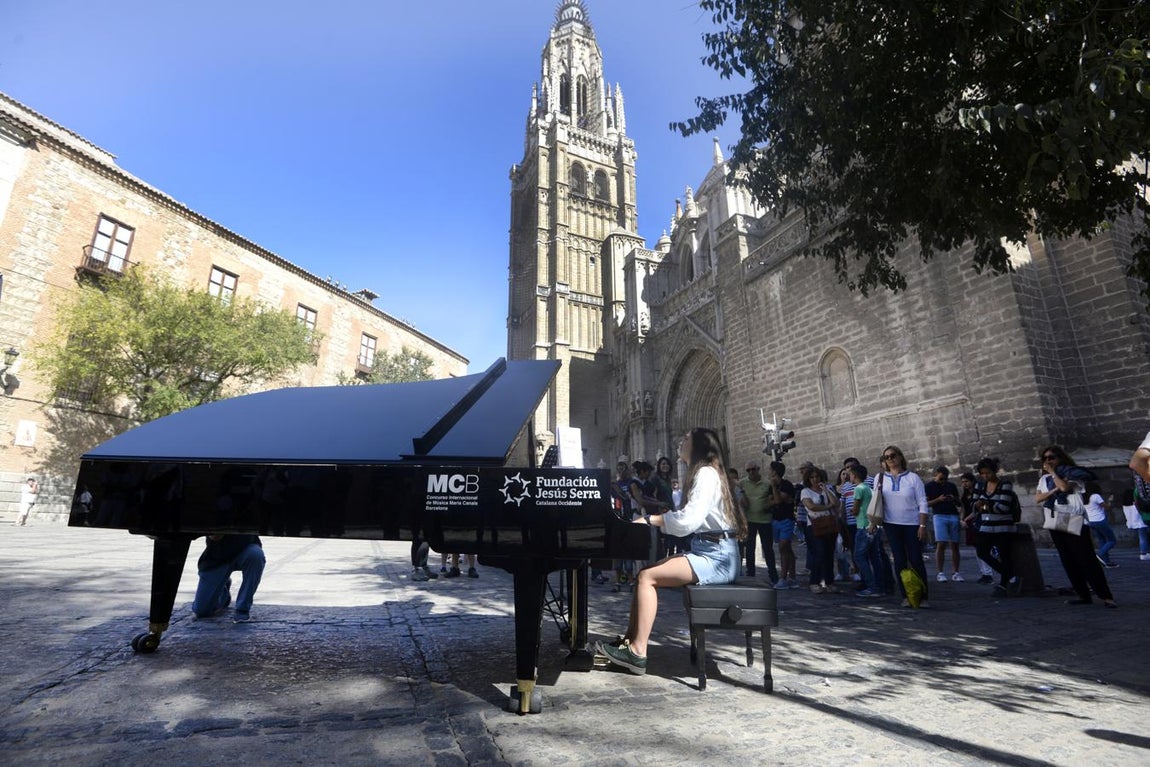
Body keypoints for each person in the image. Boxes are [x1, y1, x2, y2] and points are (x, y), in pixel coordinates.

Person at [597, 427, 746, 675]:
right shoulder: (704, 473)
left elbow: (688, 521)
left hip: (716, 557)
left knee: (647, 577)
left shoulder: (706, 474)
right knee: (645, 572)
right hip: (711, 550)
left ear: (697, 445)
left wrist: (651, 520)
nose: (681, 441)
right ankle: (628, 642)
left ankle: (637, 652)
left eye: (686, 438)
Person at [1035, 445, 1116, 608]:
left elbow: (1065, 487)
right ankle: (1082, 594)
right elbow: (1038, 498)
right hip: (1055, 517)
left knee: (1086, 559)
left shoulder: (1073, 473)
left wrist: (1053, 473)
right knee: (1068, 560)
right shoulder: (1044, 480)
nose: (1048, 461)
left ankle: (1105, 596)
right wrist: (1053, 490)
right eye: (1045, 458)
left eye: (1051, 457)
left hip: (1073, 517)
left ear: (1060, 458)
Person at [876, 446, 931, 608]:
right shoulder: (880, 479)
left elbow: (922, 502)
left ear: (900, 457)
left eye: (893, 456)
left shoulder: (913, 478)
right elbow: (876, 502)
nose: (890, 459)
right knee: (899, 561)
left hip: (912, 524)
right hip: (891, 525)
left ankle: (923, 596)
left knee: (916, 560)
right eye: (886, 457)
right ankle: (906, 595)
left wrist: (922, 524)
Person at [971, 457, 1020, 596]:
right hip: (986, 526)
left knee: (1004, 555)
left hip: (1003, 527)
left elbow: (1003, 507)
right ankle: (1011, 575)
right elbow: (973, 505)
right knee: (982, 552)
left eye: (988, 473)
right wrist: (978, 505)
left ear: (994, 471)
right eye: (983, 474)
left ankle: (1004, 585)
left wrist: (984, 505)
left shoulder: (1005, 484)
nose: (986, 476)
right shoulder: (979, 485)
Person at [191, 534, 266, 622]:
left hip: (246, 548)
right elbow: (215, 537)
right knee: (201, 611)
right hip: (217, 557)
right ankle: (223, 591)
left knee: (256, 555)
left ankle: (242, 608)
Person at [849, 463, 890, 597]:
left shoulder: (858, 489)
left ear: (854, 475)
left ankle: (871, 586)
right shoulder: (868, 488)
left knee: (859, 556)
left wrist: (851, 511)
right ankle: (880, 586)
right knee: (875, 558)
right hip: (873, 526)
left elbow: (855, 509)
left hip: (863, 526)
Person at [740, 460, 778, 583]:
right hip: (750, 520)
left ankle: (773, 575)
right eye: (748, 470)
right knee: (749, 548)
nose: (751, 472)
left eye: (753, 469)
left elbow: (774, 499)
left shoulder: (767, 483)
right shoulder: (743, 483)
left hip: (765, 520)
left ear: (758, 469)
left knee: (768, 548)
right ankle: (750, 574)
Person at [926, 466, 963, 582]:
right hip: (939, 515)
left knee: (955, 545)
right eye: (941, 479)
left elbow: (959, 502)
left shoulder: (951, 486)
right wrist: (938, 499)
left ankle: (956, 572)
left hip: (953, 515)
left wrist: (953, 498)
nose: (943, 482)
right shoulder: (929, 486)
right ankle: (940, 573)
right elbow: (926, 503)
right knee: (941, 544)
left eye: (945, 479)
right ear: (935, 474)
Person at [768, 461, 798, 588]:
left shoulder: (787, 485)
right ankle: (793, 577)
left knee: (783, 547)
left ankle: (783, 578)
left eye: (770, 470)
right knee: (787, 549)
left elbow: (778, 501)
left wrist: (775, 490)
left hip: (787, 520)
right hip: (775, 520)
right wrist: (775, 499)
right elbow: (771, 501)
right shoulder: (771, 486)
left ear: (774, 471)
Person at [1084, 485, 1118, 568]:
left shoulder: (1085, 498)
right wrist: (1110, 501)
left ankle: (1106, 562)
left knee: (1102, 540)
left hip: (1091, 521)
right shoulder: (1095, 496)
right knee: (1112, 540)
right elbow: (1106, 507)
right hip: (1100, 520)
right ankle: (1100, 554)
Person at [1119, 487, 1149, 561]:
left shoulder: (1125, 506)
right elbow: (1139, 512)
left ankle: (1145, 552)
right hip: (1141, 522)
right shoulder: (1135, 505)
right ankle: (1144, 553)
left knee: (1143, 538)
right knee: (1143, 538)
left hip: (1133, 523)